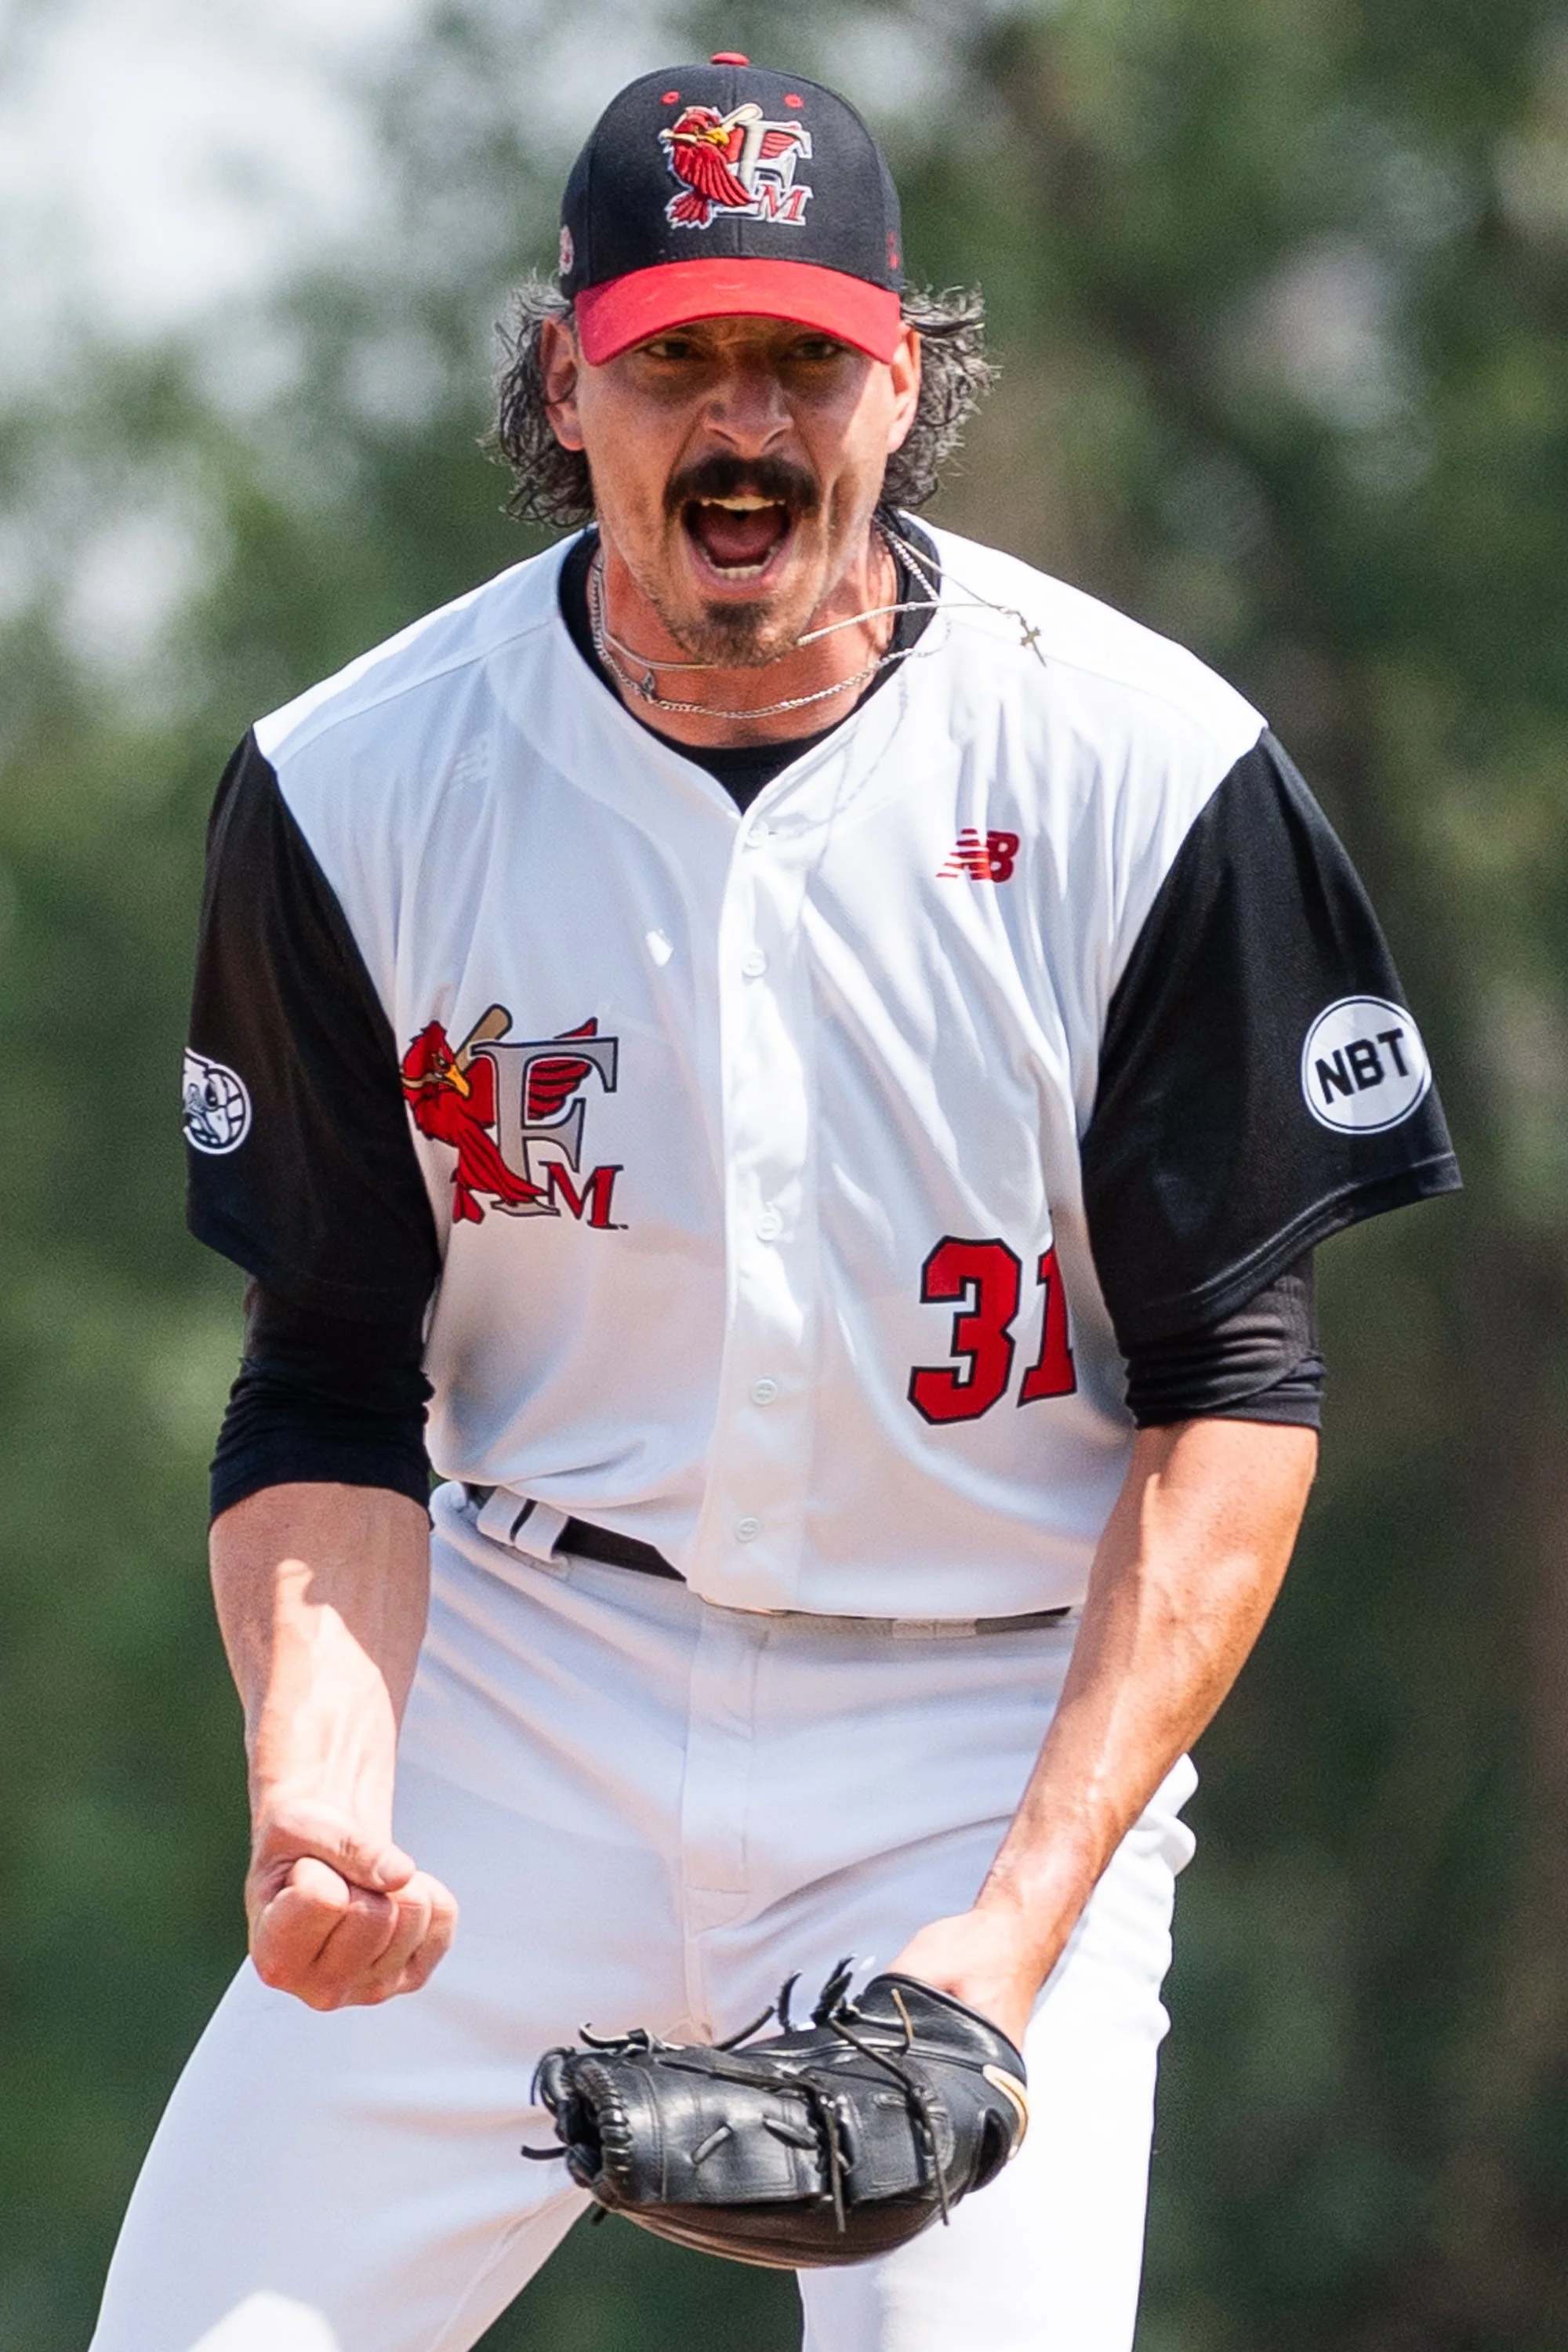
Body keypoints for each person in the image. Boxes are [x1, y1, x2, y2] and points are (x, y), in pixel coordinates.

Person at [95, 53, 1459, 2352]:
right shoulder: (354, 787)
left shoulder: (1145, 770)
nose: (744, 426)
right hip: (520, 1699)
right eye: (677, 359)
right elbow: (324, 1377)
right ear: (567, 382)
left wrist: (1004, 1945)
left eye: (803, 358)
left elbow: (1234, 1394)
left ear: (900, 378)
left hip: (981, 1728)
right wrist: (322, 1780)